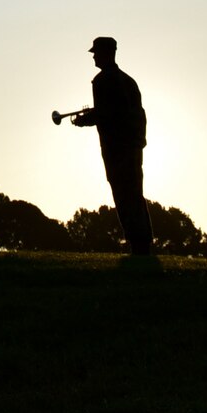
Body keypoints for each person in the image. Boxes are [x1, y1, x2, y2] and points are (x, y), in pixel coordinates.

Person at [72, 36, 154, 256]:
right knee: (135, 192)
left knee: (123, 193)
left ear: (107, 53)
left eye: (96, 53)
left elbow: (106, 113)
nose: (94, 57)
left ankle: (137, 244)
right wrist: (139, 142)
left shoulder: (102, 81)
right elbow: (137, 115)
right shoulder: (129, 81)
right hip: (133, 147)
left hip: (116, 149)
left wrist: (83, 120)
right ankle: (142, 243)